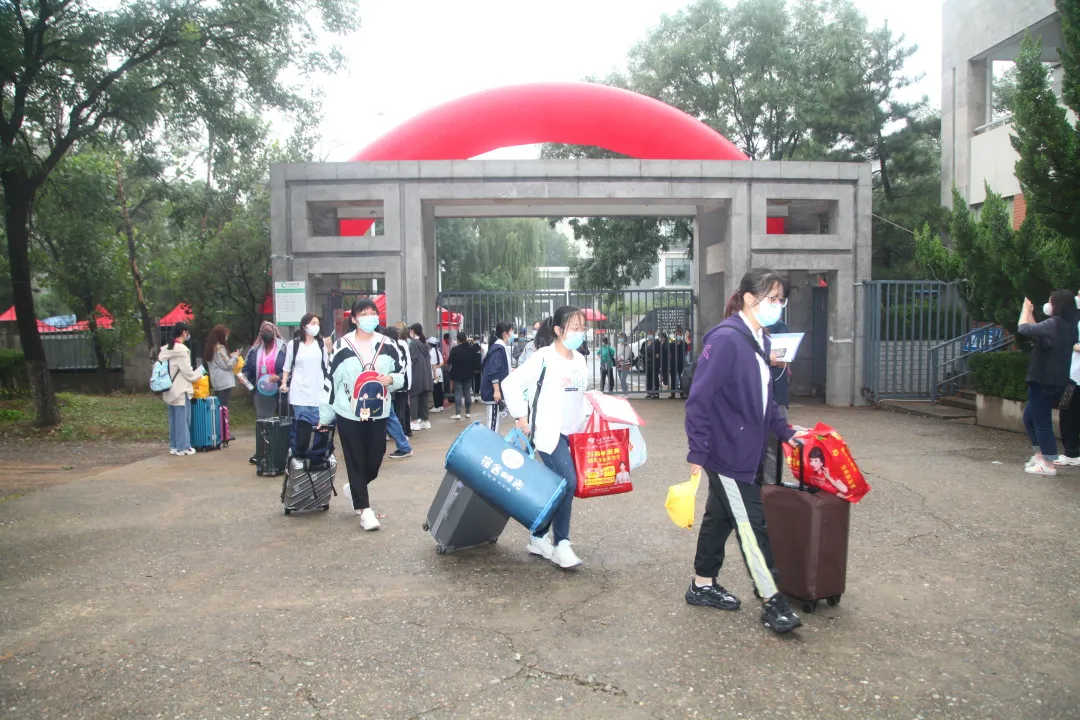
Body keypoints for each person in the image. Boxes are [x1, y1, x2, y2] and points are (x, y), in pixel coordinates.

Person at [684, 268, 803, 635]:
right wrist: (697, 452)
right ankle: (772, 599)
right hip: (727, 453)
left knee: (720, 516)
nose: (778, 305)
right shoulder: (725, 339)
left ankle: (702, 584)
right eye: (772, 298)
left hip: (747, 450)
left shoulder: (759, 339)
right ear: (750, 299)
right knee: (752, 525)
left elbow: (765, 401)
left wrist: (786, 432)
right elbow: (699, 399)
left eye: (781, 299)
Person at [502, 306, 589, 569]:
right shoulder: (543, 357)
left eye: (583, 328)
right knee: (567, 482)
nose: (580, 333)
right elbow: (510, 383)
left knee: (556, 488)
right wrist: (521, 416)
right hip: (549, 432)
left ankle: (538, 537)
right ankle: (562, 543)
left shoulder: (580, 360)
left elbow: (580, 396)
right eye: (575, 328)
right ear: (559, 330)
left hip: (574, 432)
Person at [320, 299, 405, 530]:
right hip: (348, 412)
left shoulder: (388, 344)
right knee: (355, 457)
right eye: (364, 313)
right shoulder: (342, 346)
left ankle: (355, 488)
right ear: (354, 319)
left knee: (375, 458)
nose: (369, 317)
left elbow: (401, 374)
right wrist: (324, 417)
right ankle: (365, 511)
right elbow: (331, 382)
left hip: (378, 410)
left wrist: (391, 379)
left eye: (372, 313)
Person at [1018, 291, 1079, 476]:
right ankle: (1041, 454)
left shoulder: (1055, 324)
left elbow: (1024, 329)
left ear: (1058, 304)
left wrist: (1024, 310)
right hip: (1054, 380)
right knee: (1030, 417)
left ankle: (1048, 463)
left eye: (1050, 302)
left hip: (1043, 379)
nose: (1048, 305)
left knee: (1041, 421)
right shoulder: (1068, 326)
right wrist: (1030, 314)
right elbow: (1037, 331)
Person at [281, 313, 330, 453]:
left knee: (319, 426)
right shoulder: (294, 344)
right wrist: (284, 382)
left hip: (318, 392)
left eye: (318, 323)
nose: (316, 326)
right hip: (299, 392)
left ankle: (317, 455)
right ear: (304, 326)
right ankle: (299, 454)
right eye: (313, 323)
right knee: (302, 427)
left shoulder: (321, 344)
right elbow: (287, 367)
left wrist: (330, 350)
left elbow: (328, 365)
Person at [158, 322, 205, 456]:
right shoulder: (182, 350)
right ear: (184, 332)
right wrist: (200, 373)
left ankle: (174, 445)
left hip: (168, 388)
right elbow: (188, 373)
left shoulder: (166, 349)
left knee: (174, 419)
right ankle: (184, 447)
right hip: (180, 389)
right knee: (183, 419)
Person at [243, 321, 286, 464]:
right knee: (262, 422)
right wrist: (245, 378)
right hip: (262, 392)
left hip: (281, 390)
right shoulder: (255, 350)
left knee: (284, 421)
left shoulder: (284, 349)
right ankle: (262, 452)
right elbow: (247, 368)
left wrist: (279, 377)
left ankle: (282, 452)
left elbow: (290, 367)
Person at [761, 302, 792, 485]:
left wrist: (773, 359)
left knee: (773, 447)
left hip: (776, 394)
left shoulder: (780, 328)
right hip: (754, 396)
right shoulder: (747, 329)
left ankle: (770, 488)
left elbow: (783, 360)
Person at [380, 327, 413, 459]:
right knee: (390, 416)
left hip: (386, 387)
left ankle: (404, 447)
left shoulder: (389, 349)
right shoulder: (398, 348)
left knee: (390, 416)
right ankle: (403, 446)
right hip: (390, 387)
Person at [204, 324, 239, 441]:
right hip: (224, 382)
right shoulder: (220, 348)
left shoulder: (211, 348)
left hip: (216, 382)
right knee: (223, 408)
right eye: (226, 335)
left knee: (218, 408)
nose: (227, 337)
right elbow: (227, 364)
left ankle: (219, 432)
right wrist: (236, 357)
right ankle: (224, 434)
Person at [1057, 294, 1080, 467]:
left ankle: (1071, 452)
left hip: (1074, 376)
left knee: (1068, 413)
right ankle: (1071, 451)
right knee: (1067, 412)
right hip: (1072, 375)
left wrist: (1068, 343)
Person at [480, 322, 514, 432]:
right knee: (492, 423)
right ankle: (490, 442)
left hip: (495, 392)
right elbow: (493, 371)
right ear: (505, 334)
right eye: (511, 332)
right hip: (493, 393)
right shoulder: (498, 349)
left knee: (494, 422)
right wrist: (496, 390)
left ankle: (491, 441)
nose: (512, 335)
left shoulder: (499, 347)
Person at [408, 323, 434, 431]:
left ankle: (414, 421)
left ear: (413, 331)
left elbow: (412, 359)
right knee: (424, 399)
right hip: (426, 375)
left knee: (414, 397)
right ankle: (425, 421)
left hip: (416, 374)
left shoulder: (413, 343)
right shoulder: (425, 343)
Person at [391, 321, 414, 436]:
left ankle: (402, 431)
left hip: (399, 380)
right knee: (404, 406)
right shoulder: (404, 343)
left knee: (399, 407)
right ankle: (407, 429)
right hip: (405, 379)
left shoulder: (398, 344)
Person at [447, 331, 476, 419]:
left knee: (458, 394)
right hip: (468, 374)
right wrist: (472, 341)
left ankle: (458, 413)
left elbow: (449, 361)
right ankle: (468, 412)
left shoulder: (455, 349)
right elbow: (478, 349)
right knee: (467, 393)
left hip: (457, 374)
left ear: (458, 340)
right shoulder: (471, 349)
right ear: (466, 338)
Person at [668, 325, 688, 399]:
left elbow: (686, 353)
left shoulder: (684, 344)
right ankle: (672, 393)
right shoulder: (671, 344)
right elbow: (670, 353)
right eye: (676, 334)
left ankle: (682, 393)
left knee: (681, 377)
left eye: (679, 334)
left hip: (681, 362)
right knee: (673, 377)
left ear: (681, 334)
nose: (678, 335)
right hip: (673, 363)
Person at [428, 336, 446, 413]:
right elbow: (442, 363)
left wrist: (435, 374)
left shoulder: (430, 352)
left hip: (434, 373)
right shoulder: (438, 351)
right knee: (440, 389)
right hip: (439, 372)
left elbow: (432, 365)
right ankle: (441, 406)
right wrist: (437, 366)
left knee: (435, 390)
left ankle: (437, 406)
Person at [644, 332, 662, 399]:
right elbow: (643, 351)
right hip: (647, 362)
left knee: (655, 377)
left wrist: (656, 355)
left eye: (651, 334)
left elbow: (658, 353)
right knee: (648, 378)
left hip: (654, 362)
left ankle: (656, 392)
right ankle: (649, 392)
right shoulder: (645, 343)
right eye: (649, 334)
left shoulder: (656, 343)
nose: (650, 336)